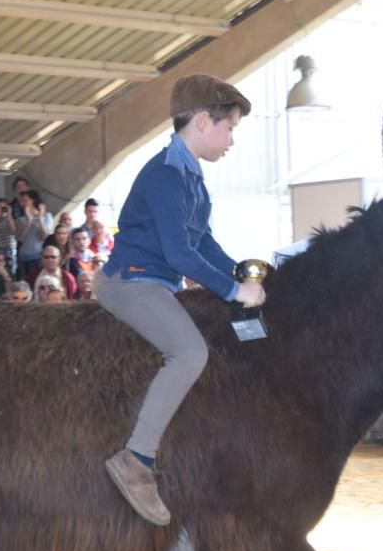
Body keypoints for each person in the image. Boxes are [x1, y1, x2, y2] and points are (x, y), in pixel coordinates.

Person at [97, 74, 264, 526]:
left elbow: (203, 242)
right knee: (189, 351)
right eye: (229, 128)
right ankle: (136, 460)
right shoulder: (167, 175)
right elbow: (179, 253)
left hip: (157, 280)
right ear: (204, 122)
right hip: (130, 281)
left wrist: (238, 273)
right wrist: (232, 291)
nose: (231, 140)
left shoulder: (190, 176)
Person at [15, 190, 53, 281]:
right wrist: (28, 221)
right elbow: (20, 238)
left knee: (41, 283)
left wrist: (40, 218)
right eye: (21, 201)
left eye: (25, 200)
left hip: (39, 256)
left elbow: (44, 236)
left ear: (33, 200)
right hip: (24, 256)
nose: (22, 203)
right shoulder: (20, 220)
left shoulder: (46, 216)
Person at [0, 197, 17, 276]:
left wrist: (9, 215)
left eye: (4, 207)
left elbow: (13, 230)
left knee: (11, 270)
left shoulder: (10, 218)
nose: (2, 209)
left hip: (10, 248)